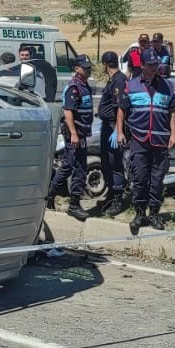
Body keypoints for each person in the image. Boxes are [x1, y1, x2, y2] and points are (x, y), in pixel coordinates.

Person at [115, 49, 175, 235]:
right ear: (142, 66)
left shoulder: (167, 86)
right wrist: (119, 132)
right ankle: (140, 213)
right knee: (140, 178)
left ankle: (155, 214)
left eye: (156, 64)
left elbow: (172, 112)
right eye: (150, 64)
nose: (154, 67)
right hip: (139, 140)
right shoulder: (131, 85)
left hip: (160, 140)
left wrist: (174, 135)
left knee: (157, 180)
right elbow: (121, 111)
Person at [47, 55, 94, 222]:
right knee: (79, 168)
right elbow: (68, 112)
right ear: (77, 69)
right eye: (85, 67)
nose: (88, 69)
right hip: (75, 134)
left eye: (89, 67)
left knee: (67, 165)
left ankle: (50, 195)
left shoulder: (84, 85)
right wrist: (74, 133)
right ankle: (73, 205)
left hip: (81, 133)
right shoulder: (74, 87)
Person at [96, 51, 128, 216]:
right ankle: (110, 194)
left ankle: (118, 198)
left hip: (114, 127)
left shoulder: (119, 80)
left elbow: (120, 107)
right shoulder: (113, 80)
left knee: (115, 164)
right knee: (106, 162)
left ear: (105, 65)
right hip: (107, 127)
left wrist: (118, 129)